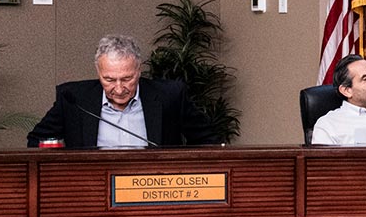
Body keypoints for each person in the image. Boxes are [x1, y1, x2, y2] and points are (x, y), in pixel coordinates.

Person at [27, 35, 223, 148]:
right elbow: (37, 141)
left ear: (139, 71)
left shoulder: (170, 96)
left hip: (153, 191)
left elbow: (208, 141)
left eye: (127, 79)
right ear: (98, 72)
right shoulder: (73, 99)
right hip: (91, 189)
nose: (119, 89)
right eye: (109, 80)